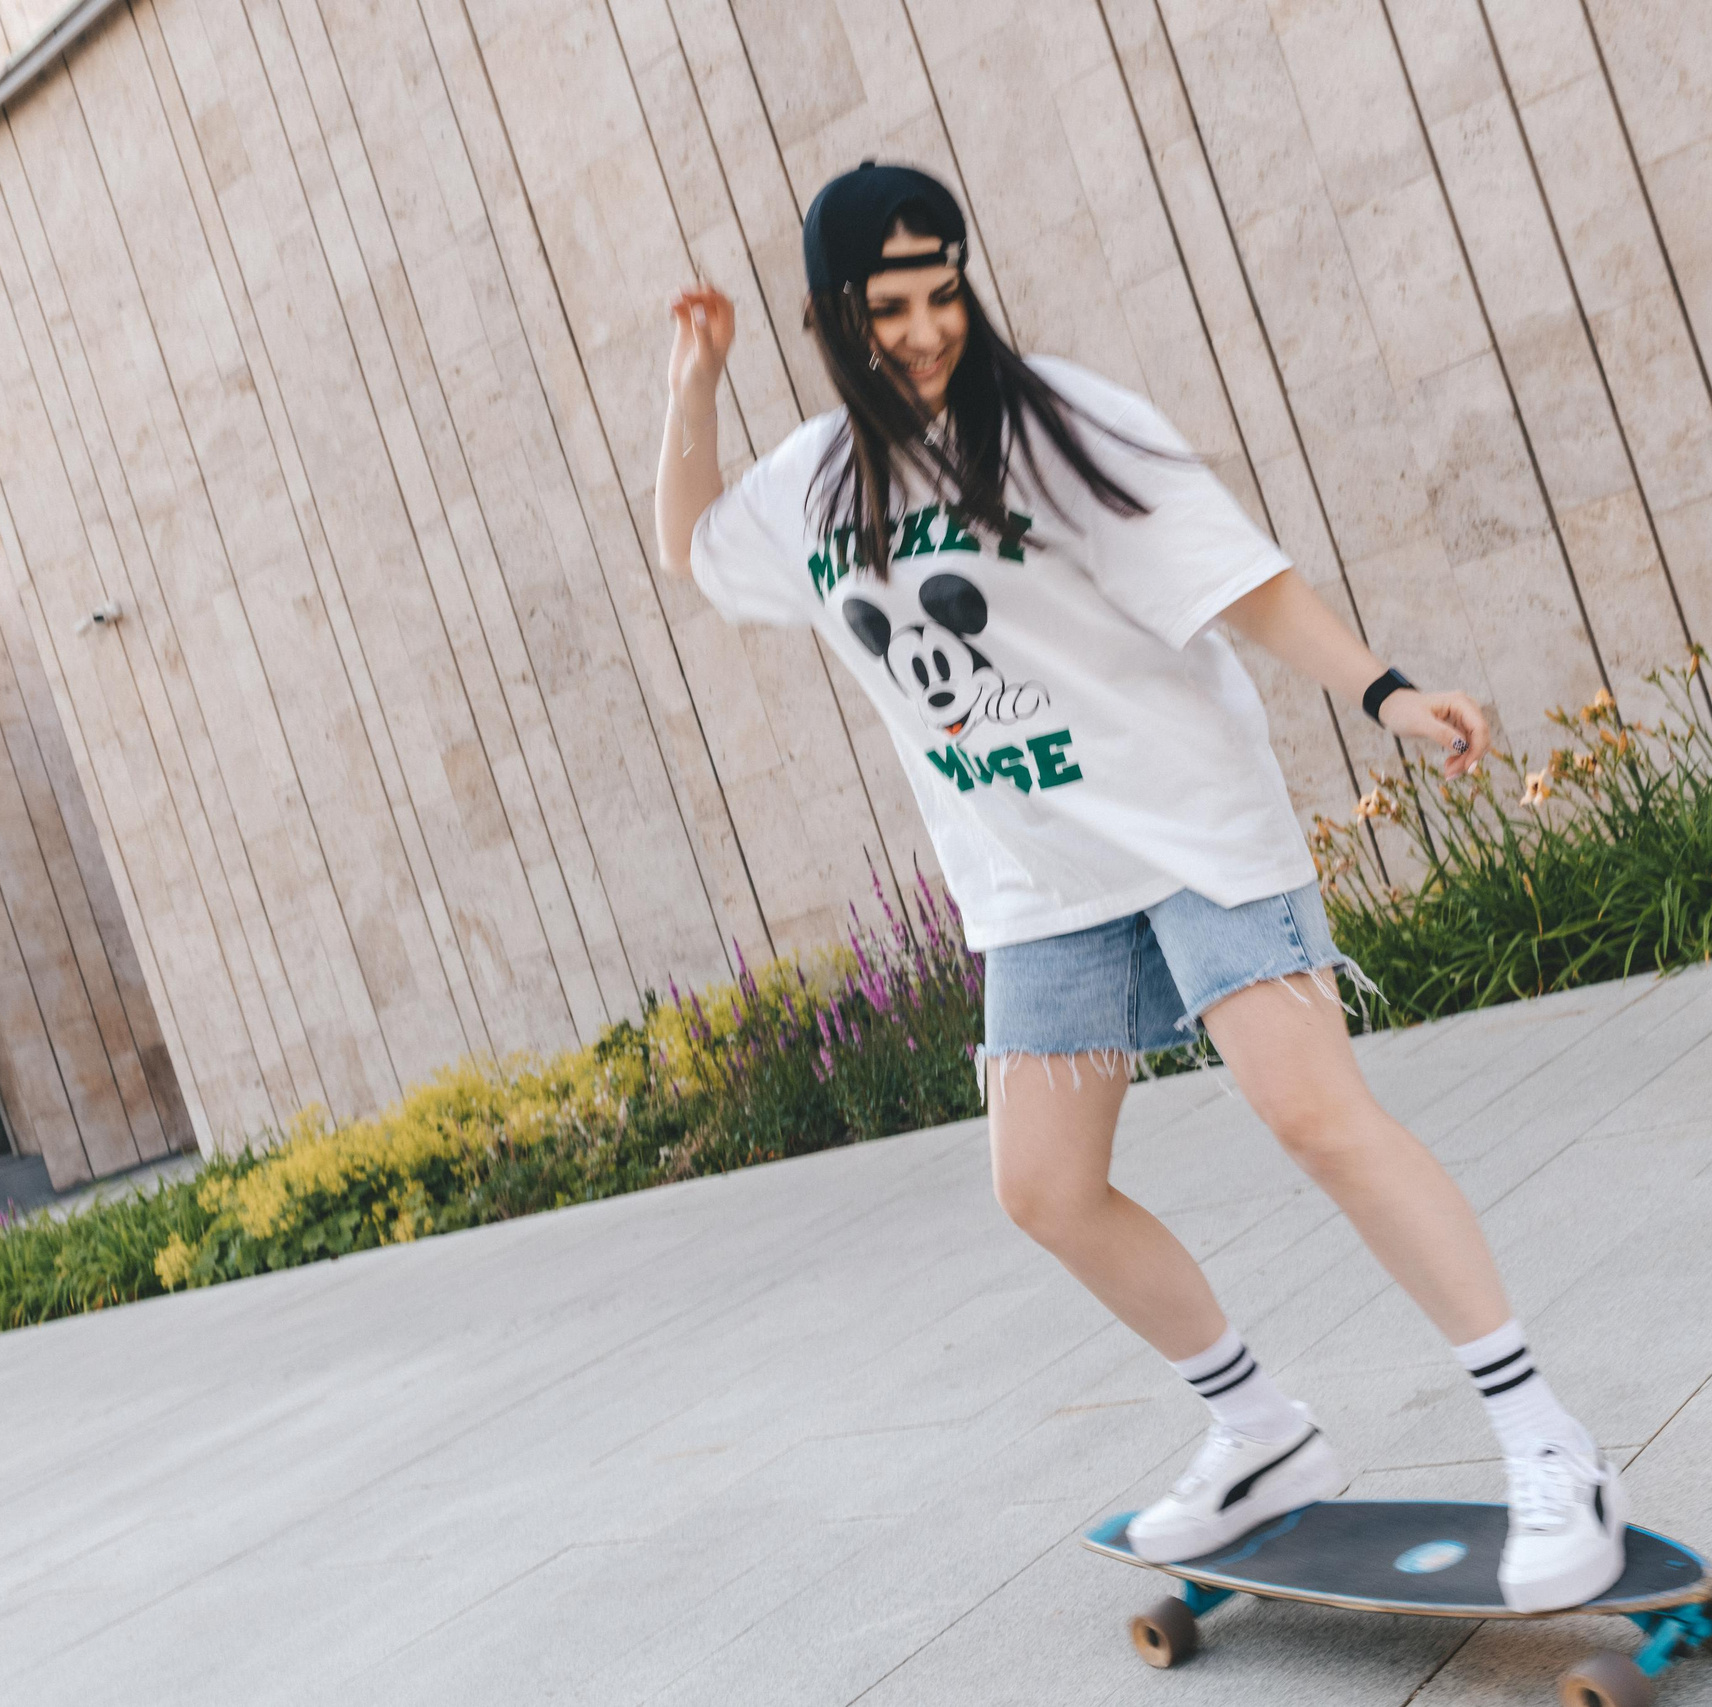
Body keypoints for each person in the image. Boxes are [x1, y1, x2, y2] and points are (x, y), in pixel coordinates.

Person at [653, 162, 1625, 1611]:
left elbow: (1241, 582)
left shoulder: (1061, 425)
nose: (926, 329)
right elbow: (691, 549)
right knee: (1043, 1188)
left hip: (1188, 829)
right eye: (890, 308)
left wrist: (1387, 691)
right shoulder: (810, 486)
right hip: (1036, 876)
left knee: (1313, 1113)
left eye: (943, 294)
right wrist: (696, 383)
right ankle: (1260, 1433)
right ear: (833, 320)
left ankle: (1551, 1445)